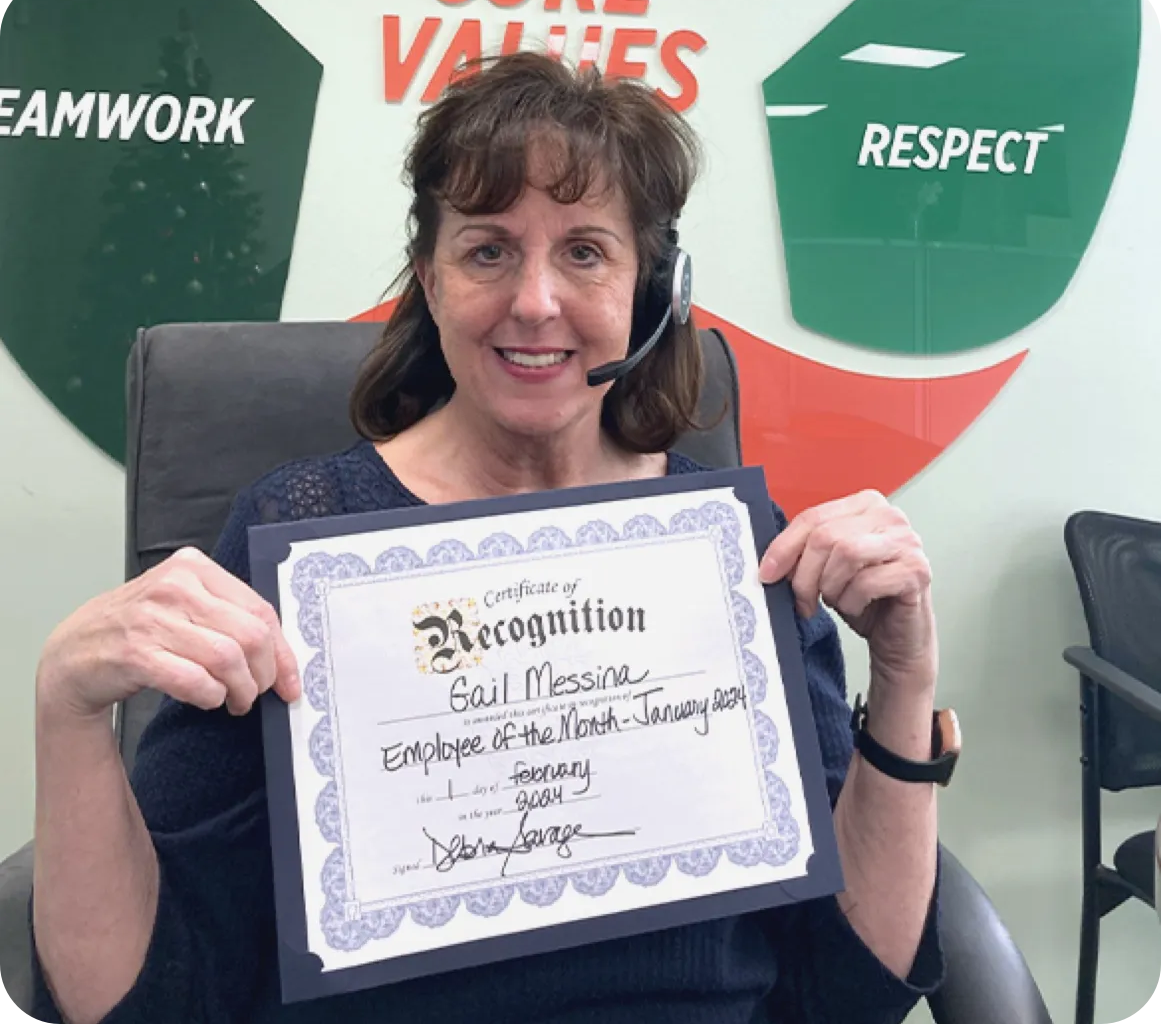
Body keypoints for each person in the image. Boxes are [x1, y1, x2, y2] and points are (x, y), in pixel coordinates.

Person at [29, 52, 945, 1024]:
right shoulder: (295, 539)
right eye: (489, 250)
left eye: (586, 251)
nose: (536, 301)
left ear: (652, 289)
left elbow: (845, 990)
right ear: (430, 276)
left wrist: (904, 679)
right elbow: (147, 998)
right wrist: (66, 709)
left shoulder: (736, 556)